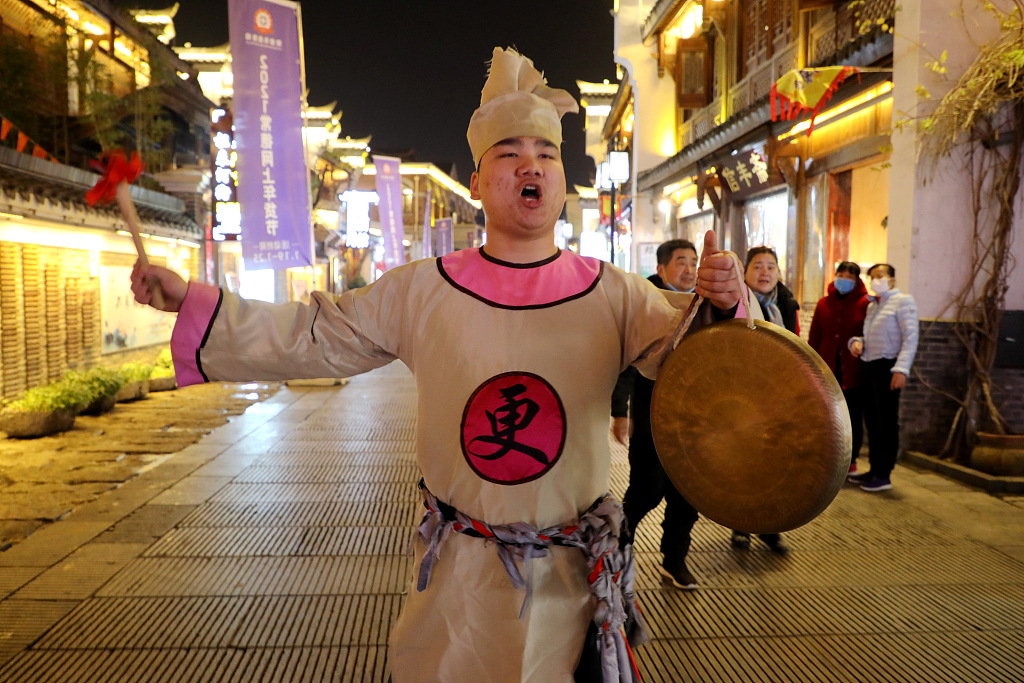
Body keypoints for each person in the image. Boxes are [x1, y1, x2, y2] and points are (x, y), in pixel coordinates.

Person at [127, 47, 747, 683]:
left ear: (562, 181)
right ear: (478, 184)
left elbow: (702, 364)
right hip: (460, 580)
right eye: (508, 155)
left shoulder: (615, 293)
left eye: (546, 154)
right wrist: (196, 304)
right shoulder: (421, 289)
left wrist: (726, 304)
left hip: (574, 579)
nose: (530, 166)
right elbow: (310, 335)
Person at [611, 240, 701, 590]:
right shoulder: (647, 306)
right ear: (662, 269)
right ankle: (616, 549)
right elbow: (628, 366)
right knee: (646, 492)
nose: (690, 268)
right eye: (681, 262)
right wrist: (620, 412)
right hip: (651, 421)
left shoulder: (706, 306)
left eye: (694, 262)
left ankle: (674, 561)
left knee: (687, 497)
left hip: (695, 425)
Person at [727, 246, 797, 553]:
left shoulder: (787, 303)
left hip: (778, 394)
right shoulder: (733, 302)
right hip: (742, 394)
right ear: (745, 272)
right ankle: (741, 525)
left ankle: (771, 528)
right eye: (758, 266)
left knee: (776, 465)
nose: (765, 272)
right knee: (744, 463)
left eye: (771, 266)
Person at [847, 263, 919, 493]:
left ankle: (884, 473)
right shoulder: (874, 305)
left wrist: (901, 369)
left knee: (886, 421)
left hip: (888, 367)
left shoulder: (903, 302)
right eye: (873, 277)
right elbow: (870, 334)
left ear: (892, 279)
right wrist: (856, 342)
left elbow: (910, 337)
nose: (876, 281)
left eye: (881, 276)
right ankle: (874, 469)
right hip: (869, 365)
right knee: (872, 420)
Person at [808, 261, 869, 474]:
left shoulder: (865, 304)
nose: (845, 279)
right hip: (827, 368)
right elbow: (815, 336)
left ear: (857, 280)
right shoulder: (824, 303)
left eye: (850, 276)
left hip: (853, 371)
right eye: (841, 274)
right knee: (826, 415)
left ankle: (851, 460)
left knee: (852, 416)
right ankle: (826, 456)